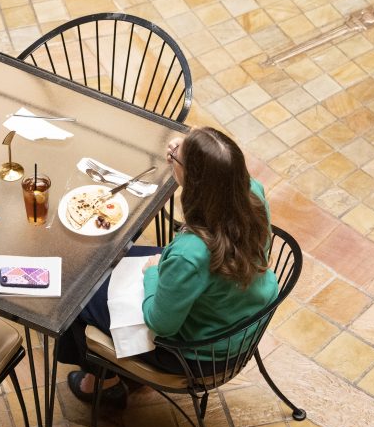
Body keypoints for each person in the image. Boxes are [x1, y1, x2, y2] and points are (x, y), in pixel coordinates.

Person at [57, 127, 278, 408]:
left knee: (78, 292)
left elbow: (160, 322)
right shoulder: (251, 192)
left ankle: (103, 385)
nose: (172, 152)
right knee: (114, 261)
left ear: (196, 181)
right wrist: (186, 150)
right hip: (240, 319)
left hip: (199, 354)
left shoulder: (191, 252)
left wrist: (153, 274)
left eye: (178, 157)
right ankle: (116, 369)